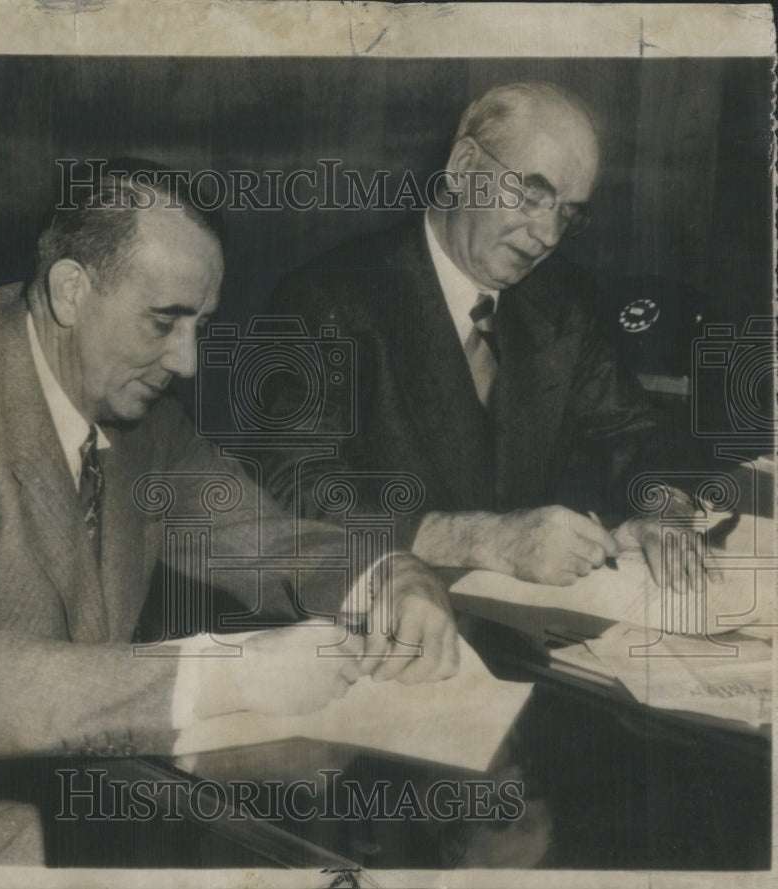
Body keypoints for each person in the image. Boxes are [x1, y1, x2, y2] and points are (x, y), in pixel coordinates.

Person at [0, 168, 458, 864]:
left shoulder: (140, 421)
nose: (186, 360)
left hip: (77, 795)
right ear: (70, 291)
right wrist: (230, 671)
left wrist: (390, 576)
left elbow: (274, 544)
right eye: (163, 321)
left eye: (200, 325)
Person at [264, 81, 705, 589]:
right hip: (386, 618)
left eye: (567, 212)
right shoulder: (326, 301)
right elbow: (291, 490)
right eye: (532, 195)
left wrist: (665, 511)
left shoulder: (562, 299)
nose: (548, 235)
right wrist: (481, 540)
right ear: (464, 167)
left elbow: (639, 435)